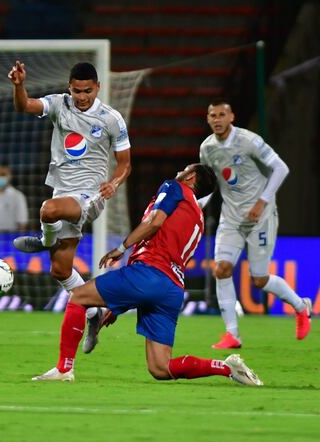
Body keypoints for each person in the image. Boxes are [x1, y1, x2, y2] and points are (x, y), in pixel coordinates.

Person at [32, 163, 263, 387]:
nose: (179, 171)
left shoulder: (174, 187)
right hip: (172, 289)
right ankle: (226, 368)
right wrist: (117, 305)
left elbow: (155, 221)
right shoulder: (198, 220)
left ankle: (63, 369)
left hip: (150, 273)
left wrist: (121, 248)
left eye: (185, 169)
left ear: (191, 177)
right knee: (161, 368)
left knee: (78, 297)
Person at [7, 61, 131, 300]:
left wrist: (113, 183)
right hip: (62, 190)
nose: (82, 97)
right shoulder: (59, 104)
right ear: (69, 88)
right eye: (77, 91)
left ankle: (45, 239)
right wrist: (19, 85)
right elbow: (24, 105)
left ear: (98, 87)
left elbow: (125, 164)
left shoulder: (111, 119)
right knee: (60, 269)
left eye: (88, 91)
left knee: (48, 210)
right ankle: (94, 310)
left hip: (90, 195)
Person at [199, 99, 312, 349]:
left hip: (260, 217)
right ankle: (232, 334)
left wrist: (261, 202)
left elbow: (281, 168)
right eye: (212, 115)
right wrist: (198, 206)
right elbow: (211, 183)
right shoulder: (207, 148)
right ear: (208, 119)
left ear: (231, 117)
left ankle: (300, 306)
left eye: (221, 115)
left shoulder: (248, 141)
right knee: (222, 269)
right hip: (231, 218)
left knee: (259, 279)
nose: (217, 119)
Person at [0, 164, 29, 232]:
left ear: (10, 176)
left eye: (3, 174)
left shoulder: (17, 196)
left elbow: (22, 222)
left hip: (9, 235)